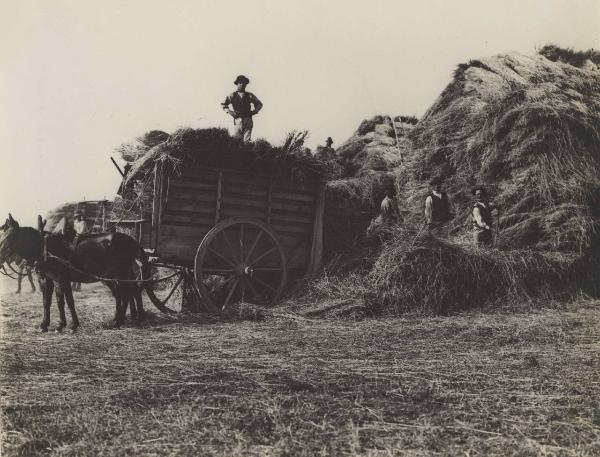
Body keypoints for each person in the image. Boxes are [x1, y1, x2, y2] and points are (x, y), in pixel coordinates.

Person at [221, 75, 263, 143]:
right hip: (238, 120)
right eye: (240, 83)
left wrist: (255, 111)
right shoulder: (232, 95)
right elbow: (223, 104)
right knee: (237, 141)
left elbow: (259, 104)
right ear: (237, 84)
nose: (242, 84)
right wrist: (229, 111)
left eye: (244, 83)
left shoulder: (250, 95)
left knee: (247, 141)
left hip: (248, 120)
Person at [72, 211, 88, 291]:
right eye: (76, 216)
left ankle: (78, 285)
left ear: (80, 216)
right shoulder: (75, 222)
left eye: (78, 216)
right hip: (76, 238)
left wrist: (77, 234)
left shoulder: (83, 223)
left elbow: (82, 232)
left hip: (82, 237)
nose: (77, 217)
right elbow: (74, 230)